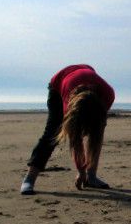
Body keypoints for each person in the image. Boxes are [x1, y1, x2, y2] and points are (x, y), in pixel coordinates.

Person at [20, 64, 115, 195]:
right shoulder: (68, 103)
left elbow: (97, 129)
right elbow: (75, 139)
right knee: (52, 132)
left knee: (96, 132)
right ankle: (29, 178)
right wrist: (81, 171)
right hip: (59, 86)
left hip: (86, 76)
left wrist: (87, 173)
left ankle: (91, 177)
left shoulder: (108, 95)